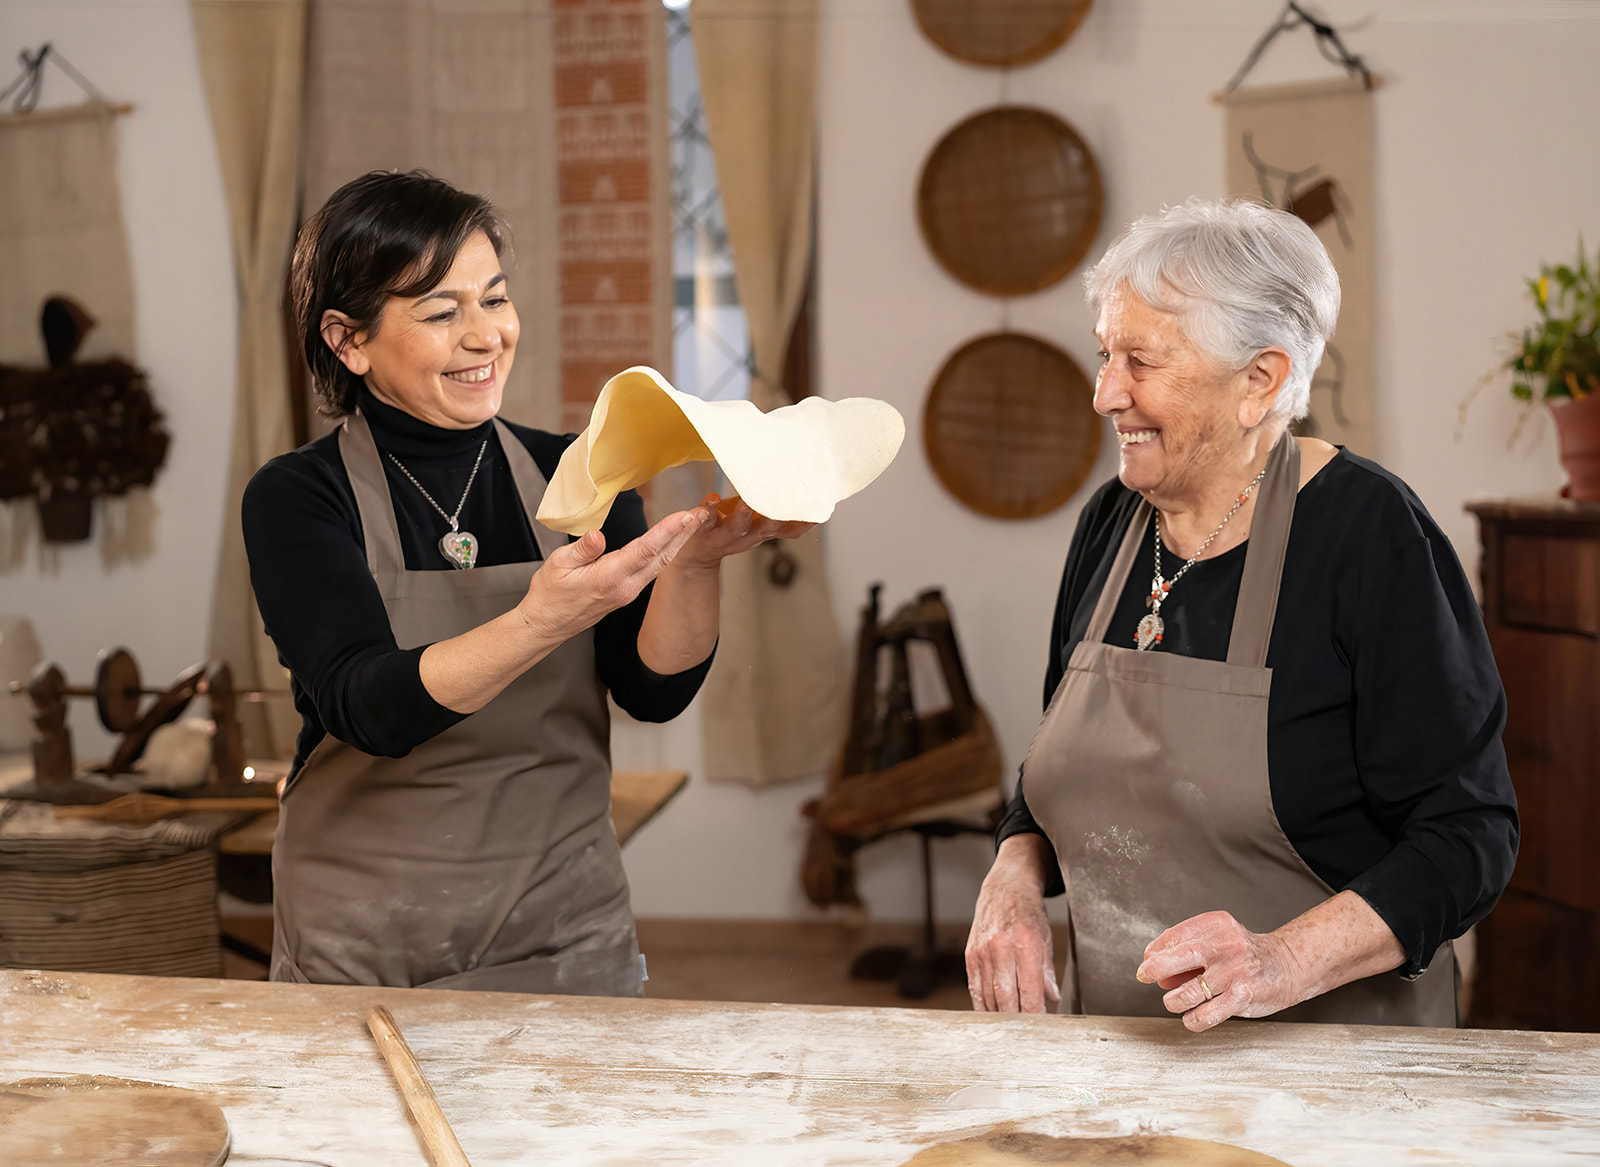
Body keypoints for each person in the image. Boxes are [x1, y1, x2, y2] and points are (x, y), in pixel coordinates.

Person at [243, 170, 808, 995]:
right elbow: (366, 703)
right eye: (442, 312)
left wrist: (695, 562)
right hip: (365, 935)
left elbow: (650, 688)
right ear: (347, 339)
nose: (487, 337)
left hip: (561, 923)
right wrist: (538, 621)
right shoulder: (298, 496)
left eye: (496, 299)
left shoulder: (573, 470)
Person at [964, 198, 1518, 1030]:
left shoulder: (1370, 535)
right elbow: (1049, 778)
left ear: (1259, 380)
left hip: (1334, 1076)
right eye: (1105, 354)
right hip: (1121, 1058)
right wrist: (1012, 877)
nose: (1104, 393)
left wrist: (1278, 960)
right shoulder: (1111, 523)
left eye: (1140, 361)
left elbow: (1470, 835)